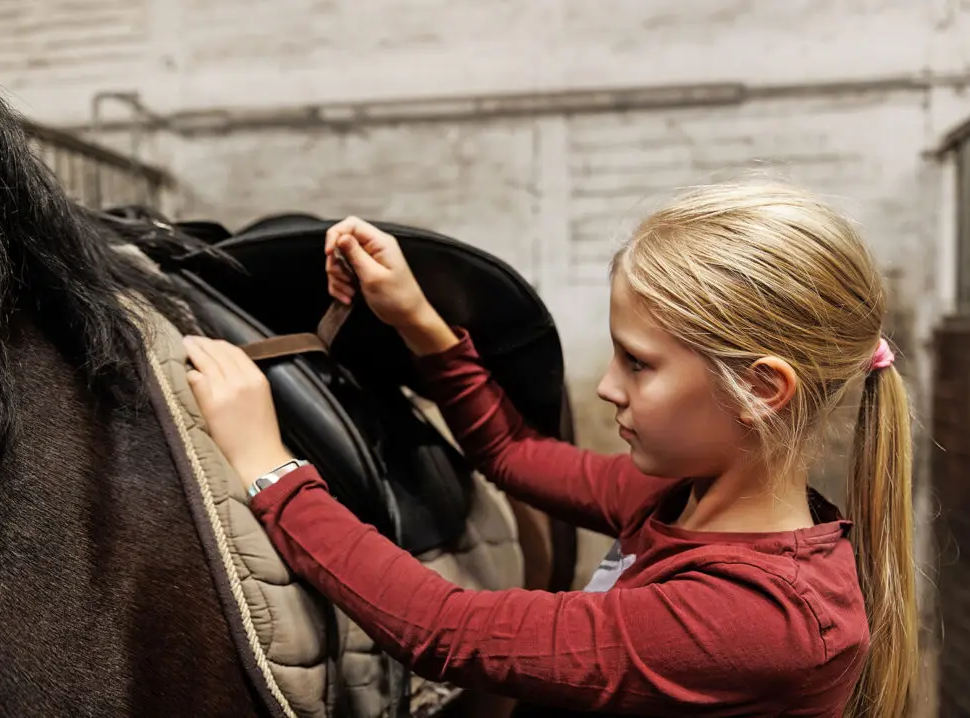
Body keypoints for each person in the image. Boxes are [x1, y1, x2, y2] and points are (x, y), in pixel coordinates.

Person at [181, 180, 918, 717]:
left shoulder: (761, 619)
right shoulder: (688, 498)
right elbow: (511, 453)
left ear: (763, 389)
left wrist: (269, 468)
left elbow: (446, 630)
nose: (606, 388)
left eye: (638, 363)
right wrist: (419, 323)